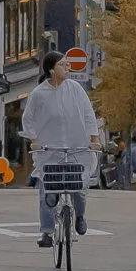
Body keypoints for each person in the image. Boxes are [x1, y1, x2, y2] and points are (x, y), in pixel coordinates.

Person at [22, 51, 102, 246]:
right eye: (62, 64)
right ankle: (47, 232)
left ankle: (80, 217)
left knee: (79, 188)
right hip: (50, 150)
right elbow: (28, 118)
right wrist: (34, 139)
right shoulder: (39, 94)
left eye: (67, 64)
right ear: (51, 70)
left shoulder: (75, 89)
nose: (67, 67)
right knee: (47, 189)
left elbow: (88, 114)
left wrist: (94, 138)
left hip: (76, 147)